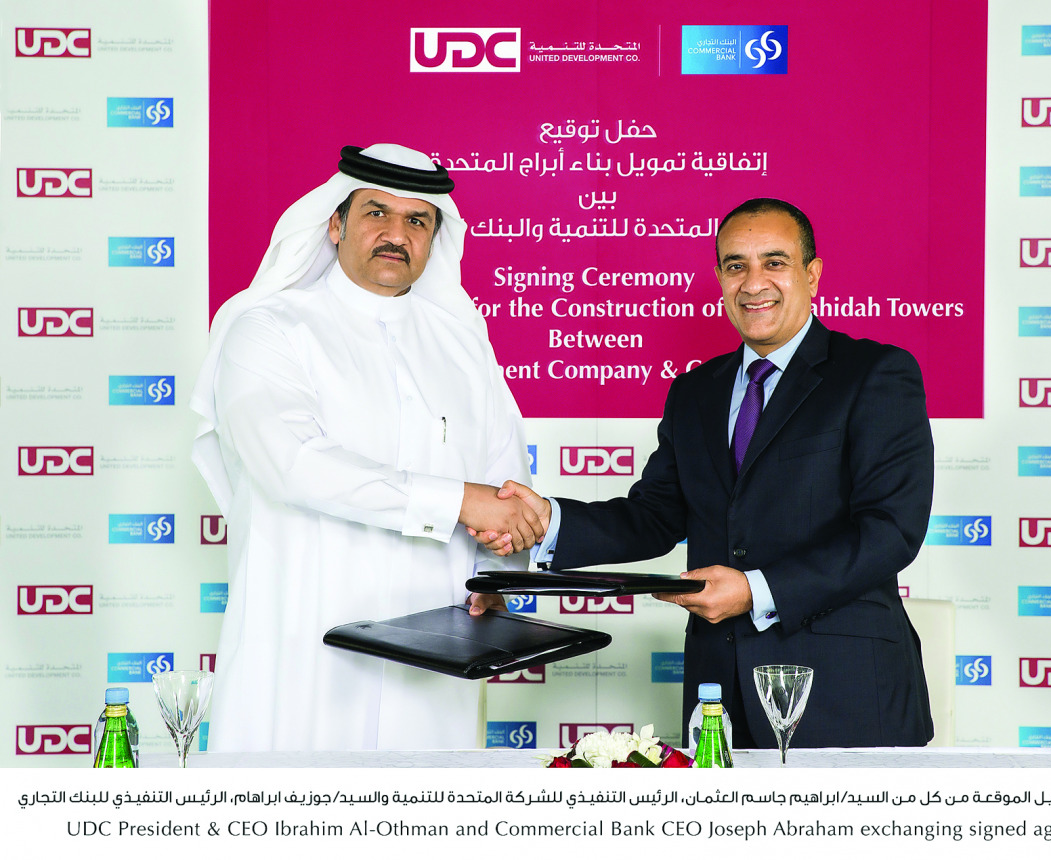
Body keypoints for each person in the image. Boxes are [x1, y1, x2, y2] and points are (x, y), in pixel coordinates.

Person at [478, 198, 935, 749]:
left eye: (775, 262)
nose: (753, 283)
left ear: (813, 274)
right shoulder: (695, 392)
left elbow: (891, 531)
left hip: (845, 691)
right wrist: (546, 521)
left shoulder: (875, 373)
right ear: (719, 278)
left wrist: (756, 590)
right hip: (720, 692)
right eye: (736, 265)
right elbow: (655, 516)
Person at [190, 144, 543, 751]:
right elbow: (293, 464)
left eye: (417, 220)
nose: (396, 234)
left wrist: (500, 576)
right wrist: (459, 501)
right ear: (335, 223)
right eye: (376, 213)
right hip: (303, 638)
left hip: (437, 645)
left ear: (433, 239)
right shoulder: (268, 327)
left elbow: (503, 483)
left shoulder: (462, 345)